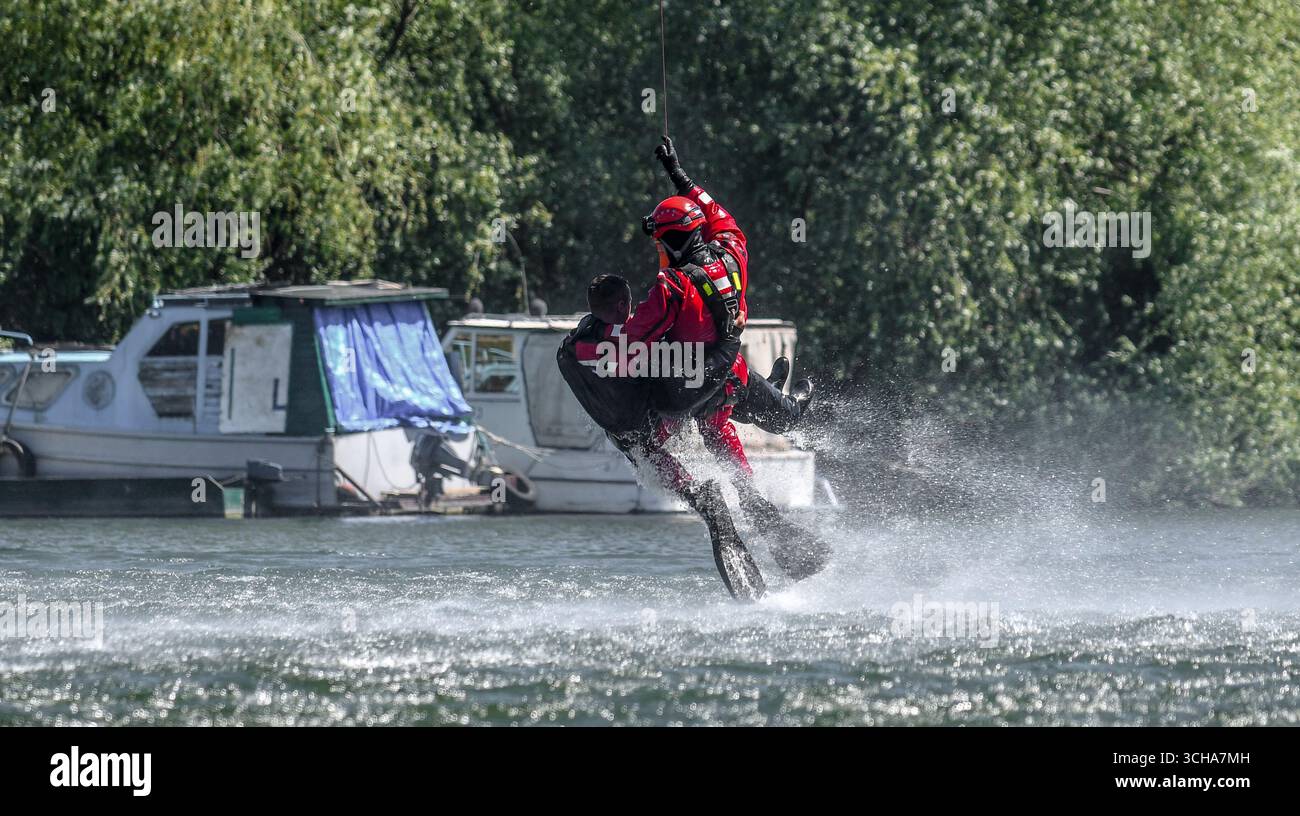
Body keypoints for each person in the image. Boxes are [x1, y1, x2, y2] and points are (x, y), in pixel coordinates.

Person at [623, 137, 829, 580]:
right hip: (729, 381)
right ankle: (758, 482)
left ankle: (706, 501)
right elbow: (719, 215)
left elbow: (632, 338)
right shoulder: (734, 254)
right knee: (724, 422)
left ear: (668, 242)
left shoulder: (669, 288)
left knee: (642, 443)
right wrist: (678, 172)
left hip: (688, 389)